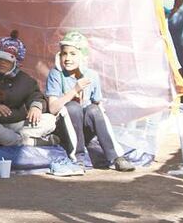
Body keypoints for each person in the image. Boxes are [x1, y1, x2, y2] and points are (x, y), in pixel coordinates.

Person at [46, 31, 135, 172]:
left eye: (73, 54)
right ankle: (77, 158)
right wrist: (74, 90)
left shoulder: (92, 75)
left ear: (83, 56)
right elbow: (52, 108)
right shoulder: (56, 74)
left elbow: (98, 104)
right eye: (64, 54)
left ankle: (116, 157)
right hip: (65, 129)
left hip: (86, 130)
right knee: (73, 107)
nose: (67, 58)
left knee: (94, 109)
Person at [0, 31, 57, 147]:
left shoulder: (25, 80)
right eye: (0, 59)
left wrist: (36, 106)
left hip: (18, 124)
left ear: (16, 62)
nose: (2, 63)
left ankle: (13, 140)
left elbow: (36, 95)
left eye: (7, 60)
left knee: (50, 120)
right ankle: (30, 142)